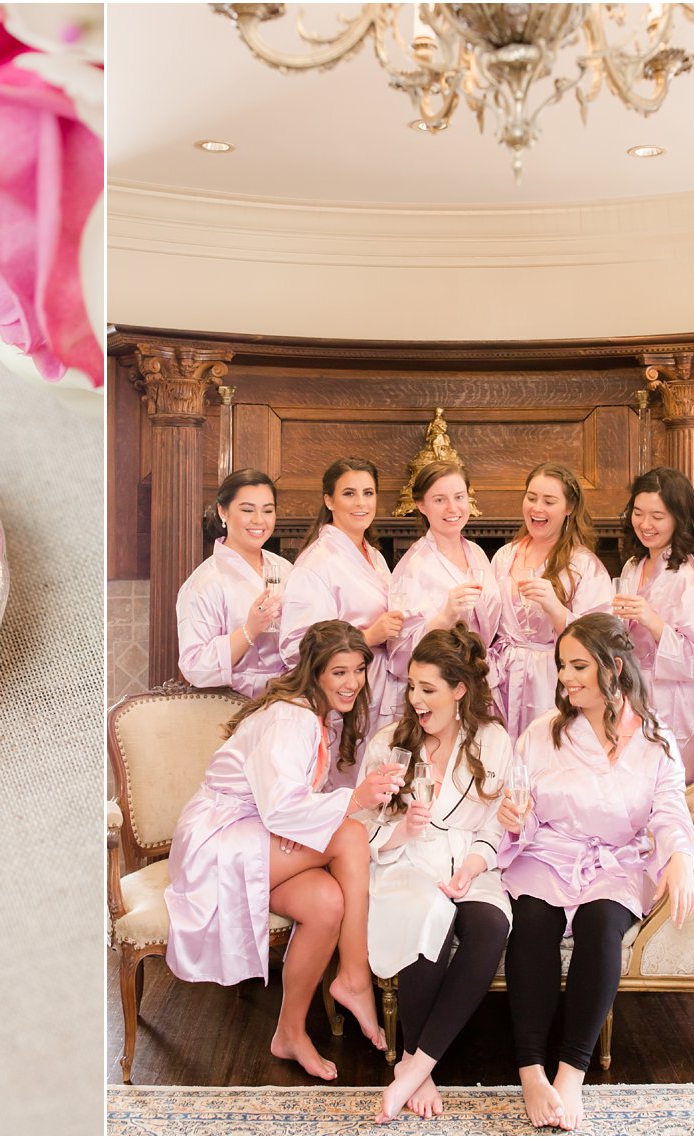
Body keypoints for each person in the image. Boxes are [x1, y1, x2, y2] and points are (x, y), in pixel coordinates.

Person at [164, 620, 407, 1079]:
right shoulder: (290, 718)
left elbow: (286, 807)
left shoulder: (310, 716)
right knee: (352, 833)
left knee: (326, 902)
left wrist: (331, 811)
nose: (352, 682)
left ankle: (290, 1033)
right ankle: (355, 977)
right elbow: (281, 808)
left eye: (358, 670)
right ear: (315, 672)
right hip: (220, 840)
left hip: (256, 833)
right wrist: (354, 800)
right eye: (339, 672)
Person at [498, 614, 694, 1130]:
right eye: (563, 665)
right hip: (549, 851)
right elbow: (521, 803)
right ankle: (530, 1074)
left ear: (614, 667)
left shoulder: (656, 739)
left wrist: (678, 857)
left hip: (615, 860)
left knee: (600, 925)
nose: (566, 677)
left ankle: (569, 1076)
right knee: (533, 926)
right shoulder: (545, 732)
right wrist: (516, 819)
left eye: (579, 666)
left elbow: (670, 808)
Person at [365, 625, 513, 1124]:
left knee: (491, 926)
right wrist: (403, 830)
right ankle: (420, 1068)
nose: (415, 699)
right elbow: (363, 825)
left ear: (459, 690)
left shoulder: (492, 741)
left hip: (470, 864)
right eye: (411, 686)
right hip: (407, 861)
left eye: (428, 689)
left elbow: (495, 827)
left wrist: (470, 872)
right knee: (427, 914)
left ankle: (410, 1067)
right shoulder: (391, 743)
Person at [279, 458, 406, 782]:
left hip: (380, 688)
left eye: (368, 492)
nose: (361, 503)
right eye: (349, 493)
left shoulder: (373, 555)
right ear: (329, 500)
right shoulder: (317, 562)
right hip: (344, 696)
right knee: (347, 789)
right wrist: (368, 636)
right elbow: (296, 646)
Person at [490, 463, 612, 740]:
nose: (537, 508)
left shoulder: (583, 565)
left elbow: (600, 639)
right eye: (531, 498)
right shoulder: (505, 556)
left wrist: (556, 609)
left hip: (553, 679)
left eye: (549, 501)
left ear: (568, 508)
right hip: (505, 675)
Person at [611, 467, 694, 781]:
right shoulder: (633, 565)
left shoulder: (690, 576)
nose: (645, 524)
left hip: (675, 699)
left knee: (669, 785)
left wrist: (652, 621)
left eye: (657, 516)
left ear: (678, 518)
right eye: (638, 513)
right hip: (634, 692)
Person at [177, 469, 293, 698]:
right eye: (248, 510)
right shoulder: (205, 582)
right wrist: (250, 629)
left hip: (289, 697)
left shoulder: (286, 569)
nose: (259, 520)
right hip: (234, 709)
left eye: (268, 510)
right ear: (223, 511)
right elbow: (194, 667)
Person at [388, 460, 502, 685]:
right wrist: (445, 617)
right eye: (439, 500)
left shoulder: (477, 553)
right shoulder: (414, 566)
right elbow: (398, 652)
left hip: (483, 679)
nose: (453, 508)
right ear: (421, 505)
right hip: (442, 684)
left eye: (459, 497)